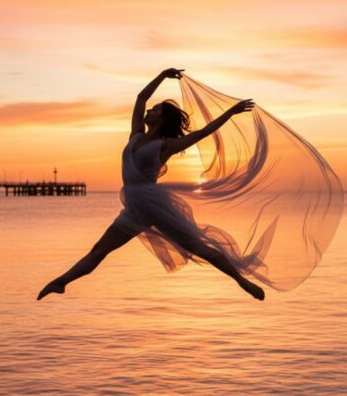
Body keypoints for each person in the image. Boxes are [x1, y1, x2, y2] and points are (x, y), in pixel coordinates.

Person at [37, 68, 266, 301]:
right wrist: (162, 75)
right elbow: (140, 98)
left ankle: (241, 281)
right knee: (99, 250)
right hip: (135, 209)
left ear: (163, 119)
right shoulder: (135, 135)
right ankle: (61, 282)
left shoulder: (165, 146)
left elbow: (203, 133)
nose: (149, 109)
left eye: (156, 110)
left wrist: (231, 112)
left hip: (154, 205)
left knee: (199, 248)